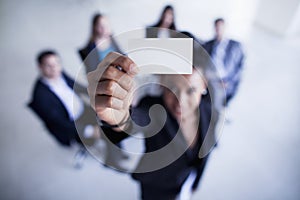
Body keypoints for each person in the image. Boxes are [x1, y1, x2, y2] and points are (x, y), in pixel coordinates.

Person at [87, 50, 220, 199]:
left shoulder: (211, 110)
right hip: (156, 189)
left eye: (191, 91)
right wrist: (117, 116)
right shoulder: (153, 109)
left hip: (187, 181)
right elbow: (134, 120)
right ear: (162, 83)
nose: (180, 103)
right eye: (172, 89)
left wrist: (196, 184)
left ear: (204, 86)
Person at [28, 50, 100, 147]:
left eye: (57, 63)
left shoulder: (60, 73)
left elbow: (76, 86)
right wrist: (89, 131)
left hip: (83, 110)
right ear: (40, 67)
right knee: (96, 138)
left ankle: (114, 152)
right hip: (72, 125)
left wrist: (94, 92)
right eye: (49, 65)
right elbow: (59, 123)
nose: (54, 68)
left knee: (109, 120)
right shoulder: (40, 96)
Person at [203, 18, 244, 106]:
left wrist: (228, 82)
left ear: (225, 28)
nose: (219, 30)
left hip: (226, 82)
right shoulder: (208, 45)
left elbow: (240, 68)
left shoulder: (235, 46)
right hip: (209, 80)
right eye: (217, 27)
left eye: (221, 27)